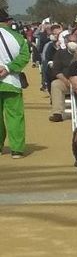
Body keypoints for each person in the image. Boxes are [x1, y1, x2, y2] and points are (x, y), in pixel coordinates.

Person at [1, 10, 35, 155]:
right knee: (15, 116)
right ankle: (17, 149)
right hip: (11, 81)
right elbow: (25, 55)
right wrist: (9, 68)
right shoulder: (17, 37)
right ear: (7, 21)